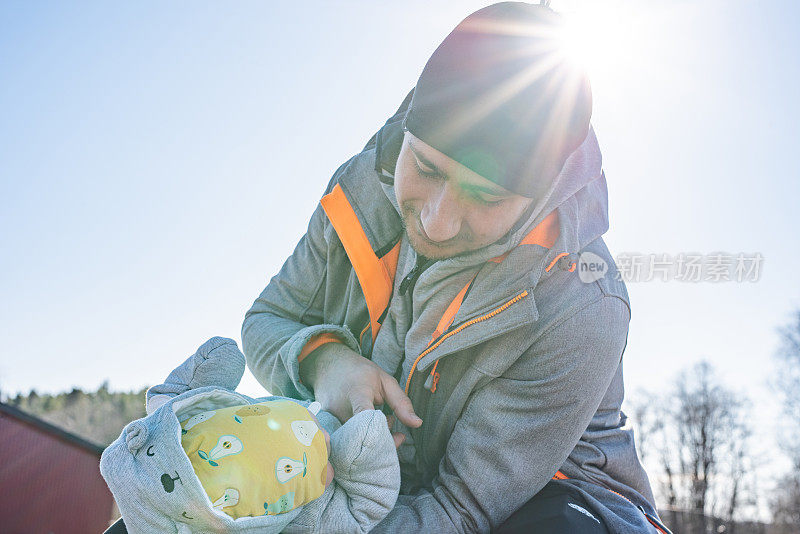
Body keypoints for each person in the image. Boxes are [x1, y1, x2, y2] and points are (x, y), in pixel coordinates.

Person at [242, 3, 670, 533]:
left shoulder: (583, 304)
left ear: (539, 197)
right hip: (370, 491)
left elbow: (461, 512)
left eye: (486, 198)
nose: (438, 222)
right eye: (425, 167)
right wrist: (322, 360)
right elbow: (266, 319)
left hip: (547, 505)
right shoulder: (358, 190)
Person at [100, 337, 400, 533]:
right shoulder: (311, 522)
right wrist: (370, 454)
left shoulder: (165, 427)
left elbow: (202, 373)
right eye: (314, 468)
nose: (323, 438)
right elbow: (367, 505)